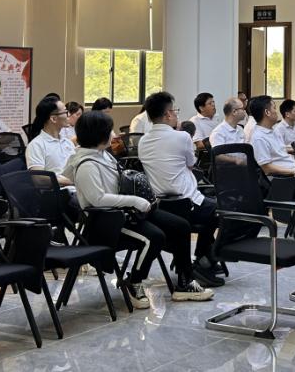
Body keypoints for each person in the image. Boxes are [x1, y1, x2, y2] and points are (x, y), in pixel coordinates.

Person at [65, 110, 213, 306]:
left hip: (127, 213)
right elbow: (98, 200)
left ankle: (185, 282)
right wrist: (134, 201)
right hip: (107, 221)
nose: (114, 135)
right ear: (99, 135)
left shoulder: (104, 156)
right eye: (110, 130)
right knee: (154, 237)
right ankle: (134, 281)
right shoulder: (86, 164)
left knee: (181, 226)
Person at [138, 92, 224, 287]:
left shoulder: (143, 141)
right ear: (168, 114)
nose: (177, 114)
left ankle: (199, 259)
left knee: (211, 207)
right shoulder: (182, 137)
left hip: (161, 206)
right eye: (175, 111)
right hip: (187, 203)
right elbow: (192, 164)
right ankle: (203, 259)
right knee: (220, 210)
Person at [26, 97, 77, 192]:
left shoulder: (67, 142)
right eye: (66, 112)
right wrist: (70, 181)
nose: (69, 115)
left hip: (76, 189)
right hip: (59, 193)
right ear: (53, 119)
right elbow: (38, 178)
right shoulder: (36, 145)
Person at [248, 95, 295, 176]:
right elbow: (267, 168)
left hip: (293, 168)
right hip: (284, 177)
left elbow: (281, 152)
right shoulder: (259, 138)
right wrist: (293, 171)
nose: (277, 112)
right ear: (267, 112)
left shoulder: (273, 130)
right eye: (274, 108)